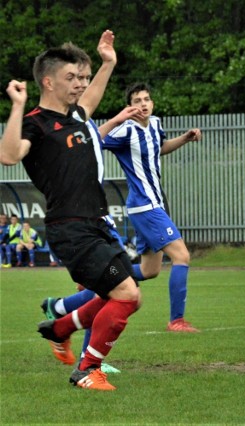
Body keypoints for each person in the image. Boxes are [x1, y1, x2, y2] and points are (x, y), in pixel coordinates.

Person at [0, 30, 141, 391]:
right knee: (126, 295)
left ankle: (58, 328)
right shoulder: (35, 123)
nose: (80, 83)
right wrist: (16, 106)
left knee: (120, 295)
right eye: (72, 77)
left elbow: (93, 95)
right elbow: (8, 155)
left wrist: (107, 63)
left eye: (82, 77)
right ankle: (85, 370)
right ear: (48, 81)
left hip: (96, 223)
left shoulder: (77, 114)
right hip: (70, 227)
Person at [100, 82, 201, 332]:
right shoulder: (125, 131)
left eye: (146, 99)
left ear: (152, 103)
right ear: (130, 107)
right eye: (137, 101)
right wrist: (113, 122)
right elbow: (94, 141)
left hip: (155, 202)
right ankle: (176, 321)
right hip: (145, 205)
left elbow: (159, 149)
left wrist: (185, 138)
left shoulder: (155, 124)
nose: (143, 104)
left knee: (150, 269)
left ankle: (100, 279)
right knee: (182, 256)